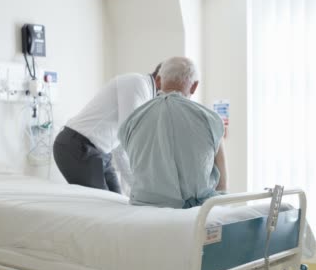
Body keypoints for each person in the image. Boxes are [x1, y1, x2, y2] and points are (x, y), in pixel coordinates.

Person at [118, 57, 228, 208]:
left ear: (158, 80)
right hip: (196, 212)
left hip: (142, 206)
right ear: (194, 86)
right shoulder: (210, 120)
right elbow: (222, 187)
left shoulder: (132, 121)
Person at [53, 64, 162, 193]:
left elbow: (121, 147)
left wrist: (140, 186)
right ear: (160, 80)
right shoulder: (137, 84)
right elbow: (128, 138)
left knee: (117, 201)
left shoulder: (147, 95)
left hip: (101, 152)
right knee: (104, 207)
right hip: (78, 147)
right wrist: (145, 187)